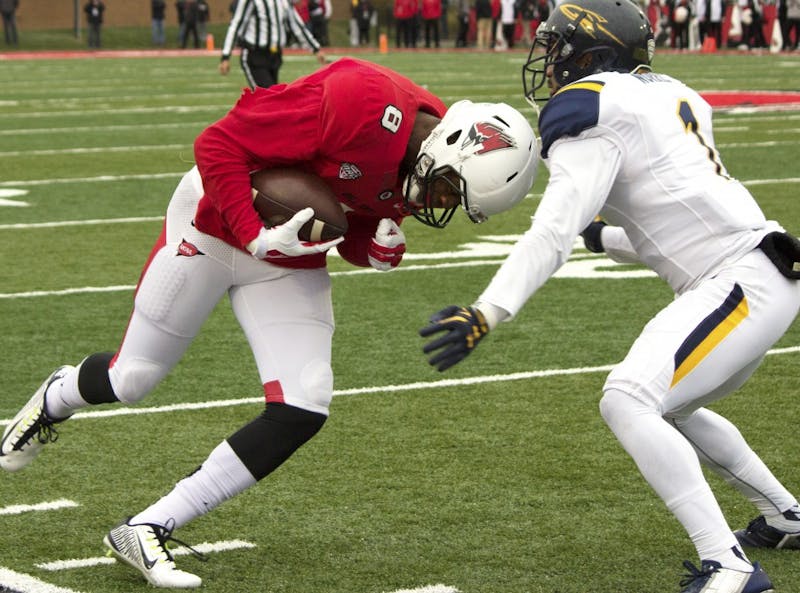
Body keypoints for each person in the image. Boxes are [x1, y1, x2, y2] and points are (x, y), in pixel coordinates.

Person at [0, 57, 538, 589]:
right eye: (447, 189)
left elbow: (347, 217)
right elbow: (217, 144)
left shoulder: (428, 147)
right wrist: (254, 234)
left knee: (305, 403)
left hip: (288, 260)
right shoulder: (361, 102)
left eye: (453, 201)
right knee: (132, 379)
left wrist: (370, 247)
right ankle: (56, 397)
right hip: (213, 226)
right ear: (452, 144)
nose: (439, 204)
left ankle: (147, 527)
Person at [419, 1, 800, 592]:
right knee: (672, 407)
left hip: (738, 283)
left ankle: (729, 567)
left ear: (591, 54)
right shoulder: (668, 94)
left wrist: (487, 311)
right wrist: (601, 236)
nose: (547, 63)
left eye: (556, 49)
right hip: (757, 273)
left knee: (626, 399)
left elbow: (551, 232)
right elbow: (668, 227)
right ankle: (785, 515)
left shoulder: (592, 107)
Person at [219, 0, 326, 89]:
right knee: (268, 98)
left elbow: (296, 25)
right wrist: (226, 56)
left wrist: (315, 48)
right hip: (255, 55)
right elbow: (236, 25)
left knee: (273, 98)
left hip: (275, 55)